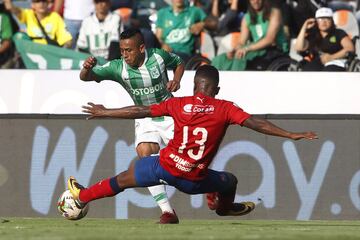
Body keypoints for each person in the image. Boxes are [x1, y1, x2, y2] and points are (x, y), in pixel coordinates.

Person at [67, 64, 318, 222]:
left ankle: (82, 196)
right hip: (193, 180)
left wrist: (105, 111)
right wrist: (291, 135)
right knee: (229, 180)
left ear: (195, 85)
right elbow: (257, 124)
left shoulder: (178, 103)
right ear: (216, 89)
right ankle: (223, 208)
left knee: (123, 179)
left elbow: (141, 110)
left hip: (163, 167)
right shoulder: (225, 108)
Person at [79, 28, 185, 224]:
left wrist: (176, 80)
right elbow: (86, 77)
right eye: (122, 50)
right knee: (145, 157)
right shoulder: (118, 67)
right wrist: (86, 68)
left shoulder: (158, 57)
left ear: (142, 48)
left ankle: (214, 191)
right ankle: (167, 212)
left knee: (188, 160)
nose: (125, 55)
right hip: (144, 118)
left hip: (170, 115)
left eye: (129, 50)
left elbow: (179, 62)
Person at [212, 0, 289, 71]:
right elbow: (242, 41)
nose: (255, 1)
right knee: (221, 59)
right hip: (256, 49)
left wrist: (247, 49)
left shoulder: (274, 13)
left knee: (240, 58)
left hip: (274, 50)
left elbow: (269, 39)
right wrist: (235, 50)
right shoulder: (247, 17)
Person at [294, 7, 355, 71]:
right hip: (317, 62)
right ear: (316, 21)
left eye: (327, 18)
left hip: (337, 61)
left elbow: (350, 48)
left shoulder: (339, 33)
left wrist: (331, 57)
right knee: (308, 70)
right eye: (320, 19)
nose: (324, 22)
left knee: (329, 71)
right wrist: (304, 27)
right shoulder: (313, 34)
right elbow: (299, 48)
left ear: (332, 20)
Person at [4, 0, 72, 48]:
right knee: (19, 36)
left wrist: (63, 50)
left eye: (44, 1)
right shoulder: (28, 14)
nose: (41, 4)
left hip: (50, 51)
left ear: (48, 4)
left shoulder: (55, 17)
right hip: (32, 51)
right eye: (37, 1)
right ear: (32, 5)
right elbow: (11, 8)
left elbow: (67, 40)